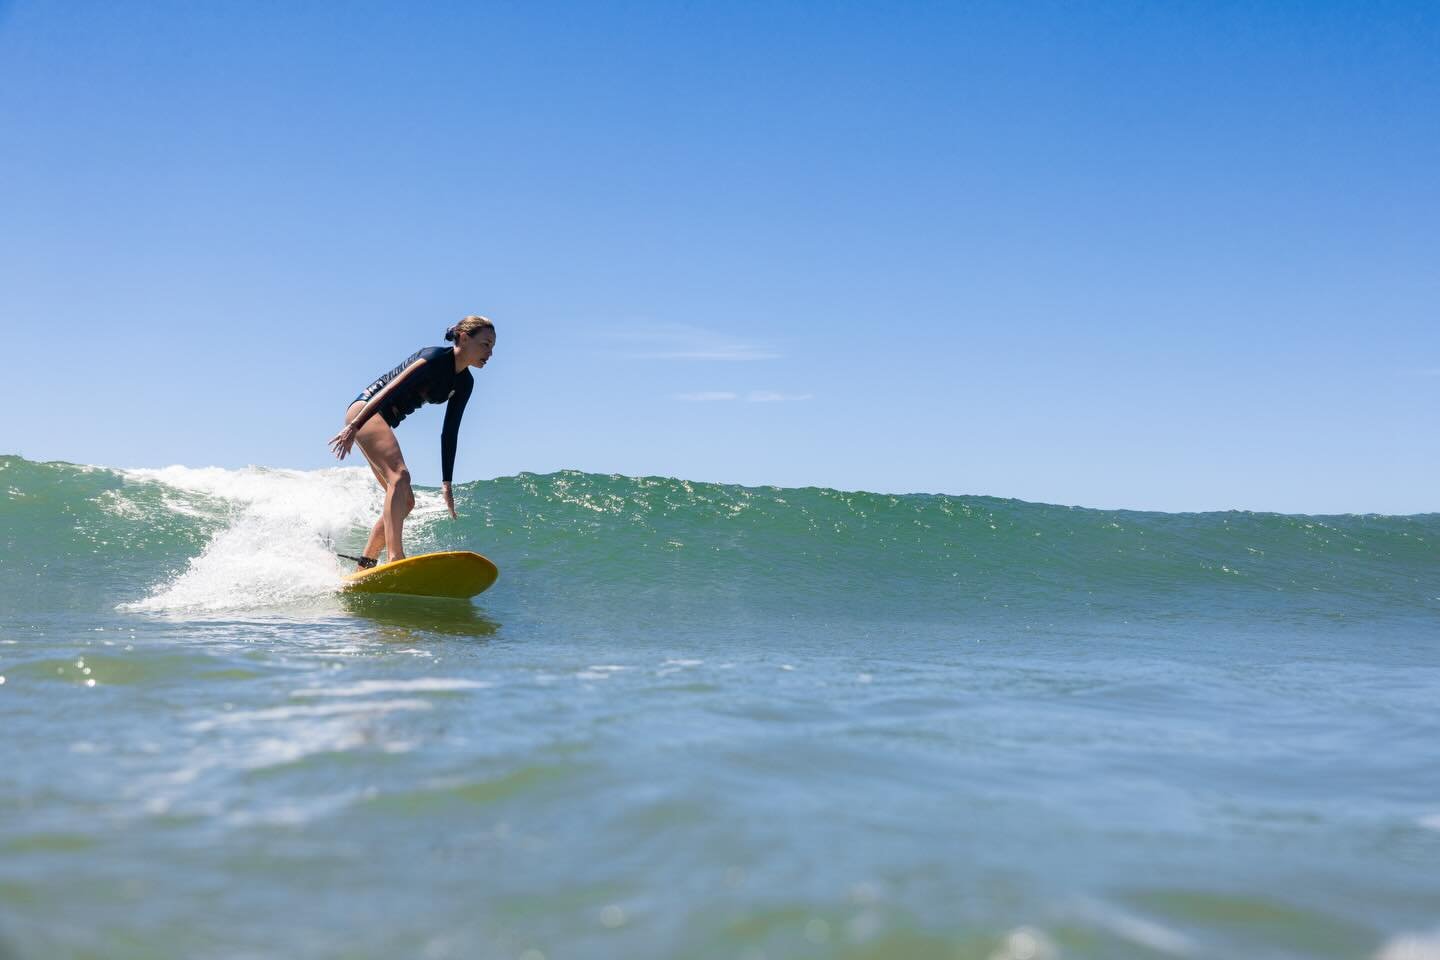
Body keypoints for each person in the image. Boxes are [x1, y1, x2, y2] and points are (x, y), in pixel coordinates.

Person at [328, 315, 495, 568]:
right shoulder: (433, 358)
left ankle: (366, 563)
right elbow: (390, 390)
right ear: (463, 338)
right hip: (366, 412)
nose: (490, 353)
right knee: (400, 476)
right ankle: (396, 557)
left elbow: (450, 432)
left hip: (376, 421)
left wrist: (447, 483)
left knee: (405, 502)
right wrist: (354, 426)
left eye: (492, 347)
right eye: (485, 344)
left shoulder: (465, 383)